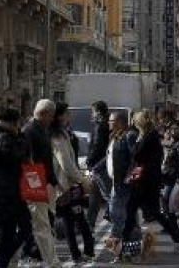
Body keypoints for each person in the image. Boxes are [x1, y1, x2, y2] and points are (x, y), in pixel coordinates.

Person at [125, 110, 179, 250]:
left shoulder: (147, 136)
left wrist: (137, 141)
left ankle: (124, 241)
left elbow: (136, 154)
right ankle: (177, 238)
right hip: (149, 179)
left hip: (144, 180)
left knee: (131, 209)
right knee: (153, 212)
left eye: (135, 122)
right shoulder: (152, 135)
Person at [0, 106, 32, 268]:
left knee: (9, 232)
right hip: (7, 192)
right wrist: (19, 135)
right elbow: (19, 156)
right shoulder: (4, 139)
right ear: (12, 122)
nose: (20, 125)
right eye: (18, 122)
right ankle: (1, 262)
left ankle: (1, 263)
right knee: (24, 228)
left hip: (5, 190)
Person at [50, 102, 95, 265]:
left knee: (74, 218)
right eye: (66, 113)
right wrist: (82, 179)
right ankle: (78, 254)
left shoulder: (64, 133)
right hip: (64, 185)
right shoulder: (57, 137)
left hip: (66, 184)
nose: (69, 116)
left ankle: (83, 252)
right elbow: (66, 164)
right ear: (59, 116)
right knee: (70, 220)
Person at [21, 99, 61, 267]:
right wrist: (37, 187)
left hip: (40, 180)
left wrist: (52, 181)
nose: (52, 119)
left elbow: (46, 160)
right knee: (41, 225)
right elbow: (28, 161)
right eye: (51, 116)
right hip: (34, 180)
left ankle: (27, 257)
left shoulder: (41, 129)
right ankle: (52, 262)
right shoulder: (30, 131)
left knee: (39, 224)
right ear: (43, 114)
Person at [104, 111, 137, 257]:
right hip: (116, 181)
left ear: (119, 122)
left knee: (116, 213)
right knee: (124, 215)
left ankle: (117, 244)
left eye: (111, 121)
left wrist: (130, 176)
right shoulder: (116, 136)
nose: (109, 123)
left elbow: (135, 158)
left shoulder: (129, 136)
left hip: (123, 182)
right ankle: (130, 247)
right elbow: (110, 158)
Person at [85, 101, 111, 230]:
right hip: (101, 164)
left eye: (93, 111)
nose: (92, 114)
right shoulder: (105, 124)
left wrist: (89, 161)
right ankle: (89, 223)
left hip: (99, 165)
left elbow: (97, 146)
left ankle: (116, 219)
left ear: (98, 112)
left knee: (108, 194)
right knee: (95, 195)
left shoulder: (100, 126)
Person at [161, 122, 179, 234]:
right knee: (176, 201)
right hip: (171, 176)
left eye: (175, 129)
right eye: (171, 129)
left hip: (176, 177)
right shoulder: (176, 142)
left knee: (169, 199)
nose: (173, 131)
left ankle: (173, 225)